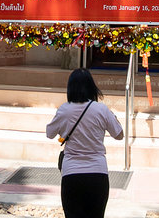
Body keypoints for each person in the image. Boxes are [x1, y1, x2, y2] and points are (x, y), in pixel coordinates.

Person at [46, 67, 124, 218]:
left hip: (71, 173)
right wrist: (112, 116)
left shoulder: (64, 110)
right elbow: (119, 135)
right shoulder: (101, 109)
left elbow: (50, 133)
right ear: (91, 87)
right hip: (98, 172)